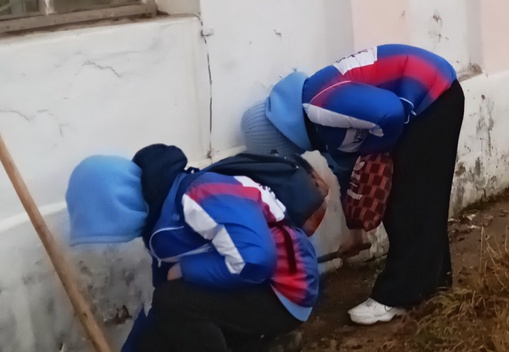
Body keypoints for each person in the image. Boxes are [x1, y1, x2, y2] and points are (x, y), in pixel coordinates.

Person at [240, 44, 464, 326]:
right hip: (427, 100)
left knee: (408, 201)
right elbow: (349, 173)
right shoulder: (321, 130)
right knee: (420, 199)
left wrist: (377, 155)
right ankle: (433, 285)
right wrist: (355, 230)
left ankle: (399, 296)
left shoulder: (318, 104)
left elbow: (390, 113)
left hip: (432, 94)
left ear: (280, 140)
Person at [66, 144, 322, 352]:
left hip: (285, 291)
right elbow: (161, 302)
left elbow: (255, 260)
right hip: (255, 288)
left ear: (116, 206)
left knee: (175, 304)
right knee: (168, 320)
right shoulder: (160, 217)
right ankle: (268, 346)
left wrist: (186, 269)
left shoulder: (198, 194)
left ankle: (268, 339)